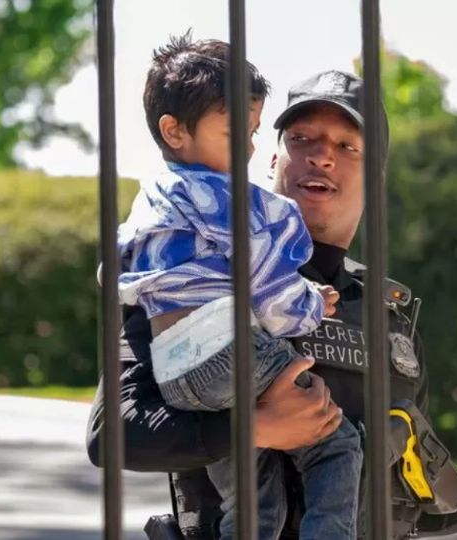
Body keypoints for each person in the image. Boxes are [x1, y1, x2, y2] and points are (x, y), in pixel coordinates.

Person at [87, 69, 457, 539]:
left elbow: (408, 504)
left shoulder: (389, 318)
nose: (322, 157)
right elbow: (113, 437)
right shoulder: (198, 275)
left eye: (347, 146)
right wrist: (253, 430)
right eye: (302, 138)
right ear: (273, 160)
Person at [115, 34, 361, 540]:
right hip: (224, 350)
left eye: (251, 133)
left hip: (175, 374)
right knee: (337, 446)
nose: (248, 149)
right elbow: (271, 294)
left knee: (253, 500)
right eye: (236, 134)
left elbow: (116, 271)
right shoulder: (240, 204)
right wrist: (311, 304)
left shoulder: (152, 197)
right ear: (174, 131)